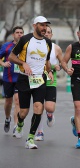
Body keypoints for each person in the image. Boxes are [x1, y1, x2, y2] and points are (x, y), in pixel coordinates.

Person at [8, 16, 53, 149]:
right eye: (41, 25)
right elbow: (11, 56)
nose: (44, 28)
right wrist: (23, 63)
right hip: (25, 79)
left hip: (40, 79)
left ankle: (30, 138)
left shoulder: (48, 43)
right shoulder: (25, 39)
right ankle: (20, 123)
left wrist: (49, 70)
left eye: (46, 25)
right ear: (34, 26)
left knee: (39, 107)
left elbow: (47, 61)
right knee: (23, 111)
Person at [35, 25, 63, 141]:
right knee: (39, 107)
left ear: (51, 35)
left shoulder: (56, 48)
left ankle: (50, 115)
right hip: (38, 80)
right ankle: (40, 132)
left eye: (49, 32)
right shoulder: (35, 47)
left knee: (49, 108)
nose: (46, 34)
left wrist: (59, 66)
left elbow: (63, 63)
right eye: (45, 32)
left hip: (51, 81)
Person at [0, 26, 24, 135]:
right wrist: (3, 63)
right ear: (13, 34)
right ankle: (7, 118)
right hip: (8, 78)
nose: (19, 34)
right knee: (8, 101)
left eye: (21, 32)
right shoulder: (6, 46)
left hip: (20, 78)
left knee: (18, 101)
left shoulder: (25, 46)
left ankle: (16, 126)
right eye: (17, 32)